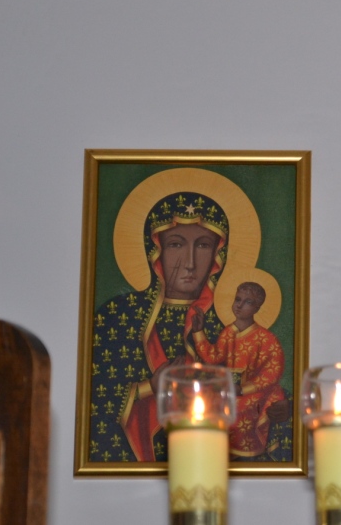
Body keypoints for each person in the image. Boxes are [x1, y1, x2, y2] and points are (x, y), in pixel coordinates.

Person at [90, 192, 228, 462]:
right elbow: (92, 400)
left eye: (203, 245)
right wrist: (149, 387)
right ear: (155, 250)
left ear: (217, 255)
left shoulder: (224, 328)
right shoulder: (118, 316)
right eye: (176, 244)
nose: (189, 263)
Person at [190, 281, 290, 459]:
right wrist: (198, 332)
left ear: (257, 308)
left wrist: (243, 389)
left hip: (256, 393)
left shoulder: (266, 339)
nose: (239, 305)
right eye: (238, 299)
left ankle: (244, 455)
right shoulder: (229, 333)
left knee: (237, 410)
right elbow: (213, 356)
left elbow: (272, 373)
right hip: (231, 389)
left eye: (248, 302)